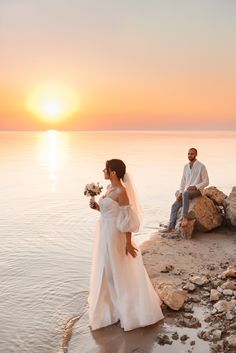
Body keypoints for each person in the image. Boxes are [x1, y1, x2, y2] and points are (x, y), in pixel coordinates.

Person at [88, 159, 164, 331]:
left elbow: (128, 219)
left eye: (105, 169)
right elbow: (109, 211)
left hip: (116, 235)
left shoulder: (122, 191)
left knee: (118, 271)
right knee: (107, 270)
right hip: (104, 233)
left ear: (113, 172)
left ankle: (128, 311)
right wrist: (97, 208)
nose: (103, 171)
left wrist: (128, 243)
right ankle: (112, 308)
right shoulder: (109, 189)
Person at [163, 148, 209, 231]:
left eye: (192, 154)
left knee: (186, 194)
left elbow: (206, 182)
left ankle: (185, 218)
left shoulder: (201, 166)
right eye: (188, 154)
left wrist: (195, 186)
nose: (190, 155)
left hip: (197, 191)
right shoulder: (185, 167)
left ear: (196, 155)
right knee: (174, 206)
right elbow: (183, 182)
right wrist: (180, 193)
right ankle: (170, 227)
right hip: (187, 192)